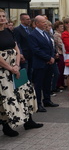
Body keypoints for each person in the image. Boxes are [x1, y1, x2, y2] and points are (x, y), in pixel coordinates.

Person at [0, 9, 43, 137]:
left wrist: (17, 65)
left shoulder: (8, 31)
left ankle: (28, 121)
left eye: (3, 16)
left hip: (16, 69)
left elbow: (16, 48)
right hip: (3, 72)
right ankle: (6, 126)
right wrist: (10, 67)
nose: (2, 18)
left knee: (26, 92)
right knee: (8, 99)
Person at [28, 15, 59, 112]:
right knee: (38, 84)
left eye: (45, 22)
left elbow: (51, 46)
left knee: (47, 82)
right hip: (40, 63)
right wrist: (48, 57)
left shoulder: (46, 33)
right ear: (37, 24)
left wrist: (53, 55)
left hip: (49, 62)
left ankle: (47, 100)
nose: (45, 23)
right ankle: (38, 104)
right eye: (43, 22)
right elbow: (35, 50)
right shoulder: (32, 35)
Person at [13, 13, 33, 81]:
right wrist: (20, 54)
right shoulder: (17, 30)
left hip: (31, 55)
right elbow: (17, 43)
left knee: (31, 72)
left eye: (29, 19)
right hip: (24, 55)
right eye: (27, 19)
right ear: (22, 20)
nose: (29, 20)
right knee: (24, 73)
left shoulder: (30, 29)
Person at [53, 21, 65, 91]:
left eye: (63, 26)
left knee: (63, 69)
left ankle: (62, 83)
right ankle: (59, 84)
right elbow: (60, 44)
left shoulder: (62, 34)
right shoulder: (56, 35)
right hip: (59, 53)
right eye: (61, 27)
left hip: (63, 53)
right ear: (57, 28)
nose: (62, 28)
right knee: (60, 68)